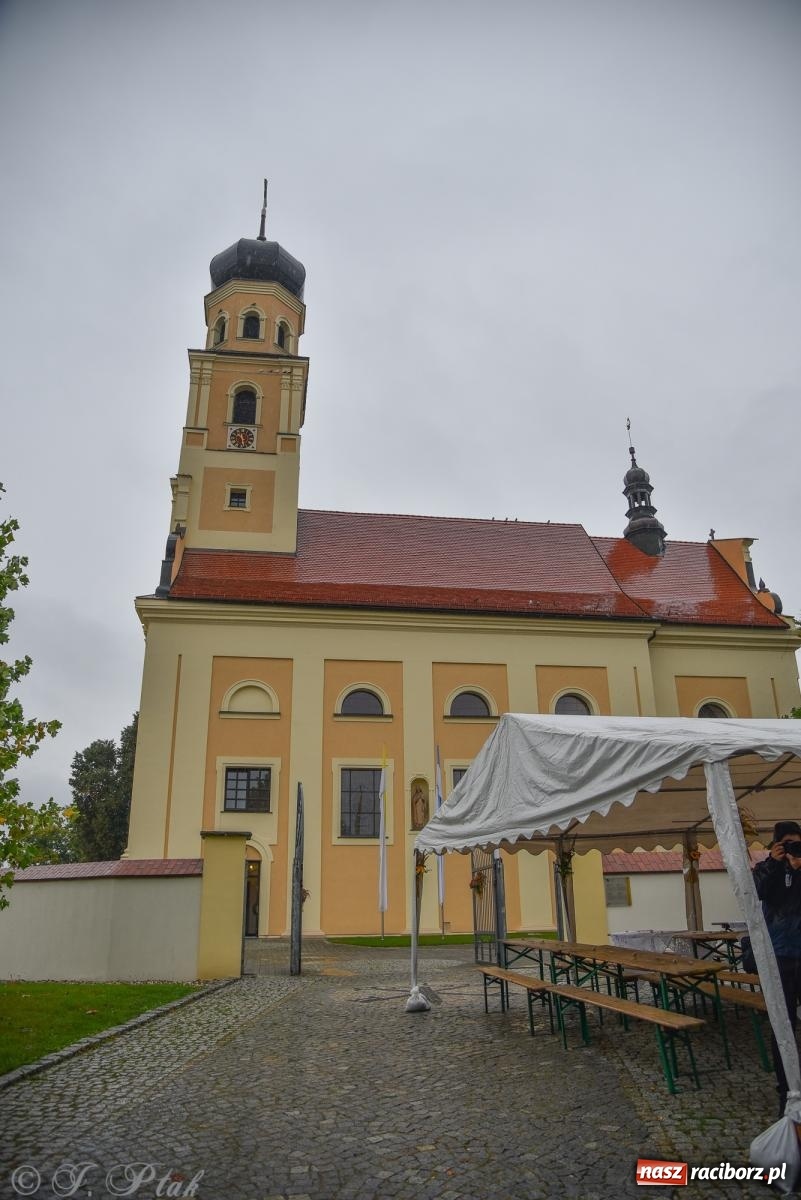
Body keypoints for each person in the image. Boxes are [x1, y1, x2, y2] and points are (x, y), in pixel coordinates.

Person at [753, 820, 801, 1114]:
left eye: (798, 843)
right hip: (779, 955)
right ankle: (786, 1090)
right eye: (788, 844)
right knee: (783, 1024)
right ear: (776, 844)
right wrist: (774, 863)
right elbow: (759, 893)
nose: (793, 848)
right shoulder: (765, 868)